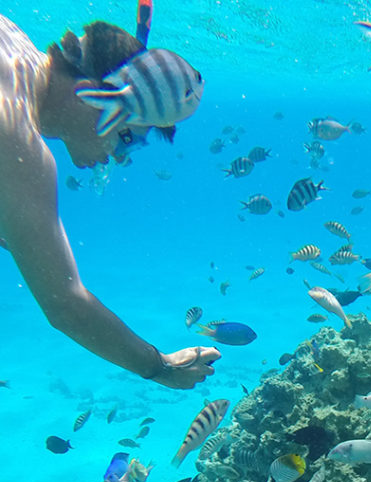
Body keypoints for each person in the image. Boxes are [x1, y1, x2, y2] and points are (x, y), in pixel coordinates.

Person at [0, 15, 219, 388]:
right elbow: (66, 305)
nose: (119, 155)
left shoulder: (15, 45)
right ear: (95, 93)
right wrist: (160, 367)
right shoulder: (19, 142)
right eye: (129, 137)